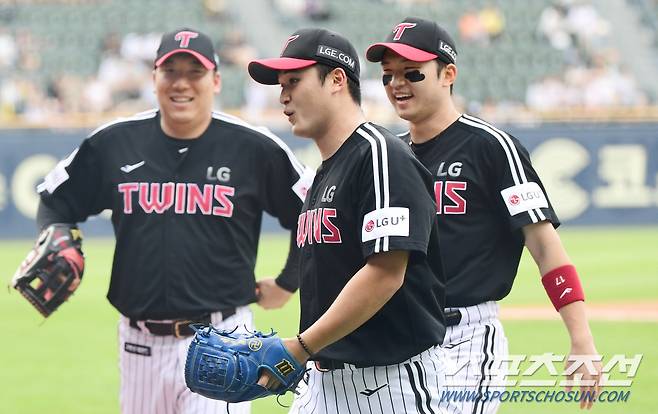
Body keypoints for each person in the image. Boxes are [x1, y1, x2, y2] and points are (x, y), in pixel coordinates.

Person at [32, 27, 312, 414]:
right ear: (154, 79)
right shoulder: (114, 142)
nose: (182, 84)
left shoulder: (253, 146)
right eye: (170, 72)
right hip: (138, 343)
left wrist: (288, 281)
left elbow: (313, 211)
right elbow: (53, 199)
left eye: (194, 73)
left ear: (215, 80)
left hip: (224, 338)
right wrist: (56, 233)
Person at [366, 16, 602, 413]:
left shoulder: (491, 146)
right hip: (399, 335)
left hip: (466, 338)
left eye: (412, 73)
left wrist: (582, 341)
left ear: (448, 74)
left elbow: (545, 248)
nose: (397, 84)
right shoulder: (390, 155)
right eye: (388, 75)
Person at [247, 28, 450, 413]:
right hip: (324, 379)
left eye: (294, 80)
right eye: (280, 85)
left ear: (337, 79)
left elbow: (386, 272)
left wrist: (301, 346)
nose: (283, 96)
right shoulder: (326, 170)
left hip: (387, 385)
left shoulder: (379, 154)